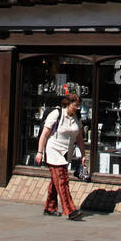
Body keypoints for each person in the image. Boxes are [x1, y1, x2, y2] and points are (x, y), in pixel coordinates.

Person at [35, 92, 87, 220]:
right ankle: (70, 210)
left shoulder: (76, 117)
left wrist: (83, 154)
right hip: (53, 151)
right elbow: (44, 134)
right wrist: (40, 152)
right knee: (63, 180)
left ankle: (50, 207)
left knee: (55, 181)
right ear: (68, 104)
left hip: (66, 153)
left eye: (78, 106)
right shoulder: (56, 114)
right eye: (75, 105)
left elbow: (79, 137)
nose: (77, 108)